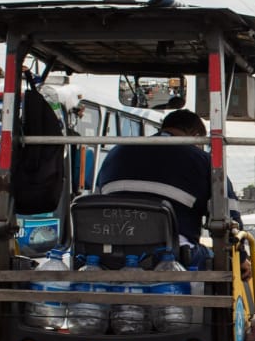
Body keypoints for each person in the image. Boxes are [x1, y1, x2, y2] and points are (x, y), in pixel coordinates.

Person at [94, 109, 239, 263]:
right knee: (215, 259)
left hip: (107, 253)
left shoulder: (114, 154)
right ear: (196, 135)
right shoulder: (204, 162)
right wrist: (241, 258)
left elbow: (95, 203)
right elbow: (230, 219)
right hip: (168, 256)